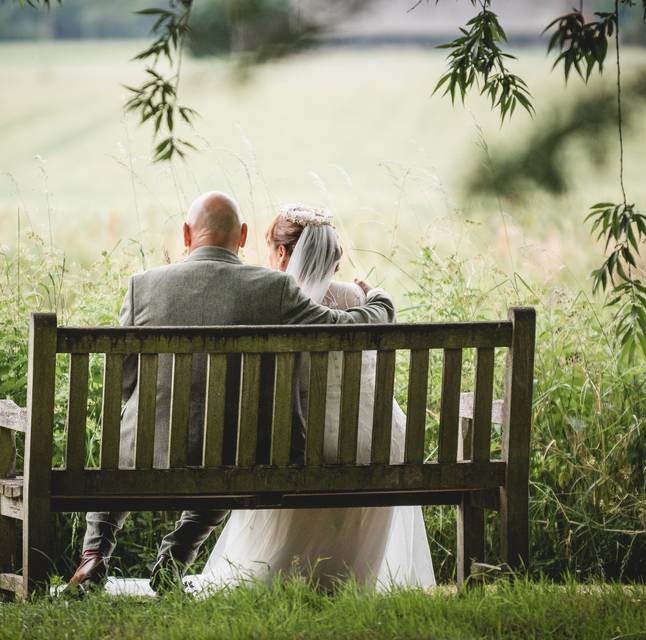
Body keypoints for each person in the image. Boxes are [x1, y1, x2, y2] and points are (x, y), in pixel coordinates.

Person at [66, 192, 395, 595]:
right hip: (238, 455)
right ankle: (176, 556)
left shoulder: (142, 287)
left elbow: (125, 382)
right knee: (225, 446)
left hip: (148, 451)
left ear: (186, 234)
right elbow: (348, 329)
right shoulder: (273, 290)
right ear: (241, 236)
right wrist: (379, 300)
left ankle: (94, 554)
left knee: (123, 447)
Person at [182, 205, 435, 594]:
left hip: (300, 442)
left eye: (271, 251)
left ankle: (291, 579)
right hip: (375, 442)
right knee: (355, 441)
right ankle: (349, 581)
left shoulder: (278, 299)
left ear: (283, 254)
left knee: (285, 438)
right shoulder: (355, 297)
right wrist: (378, 296)